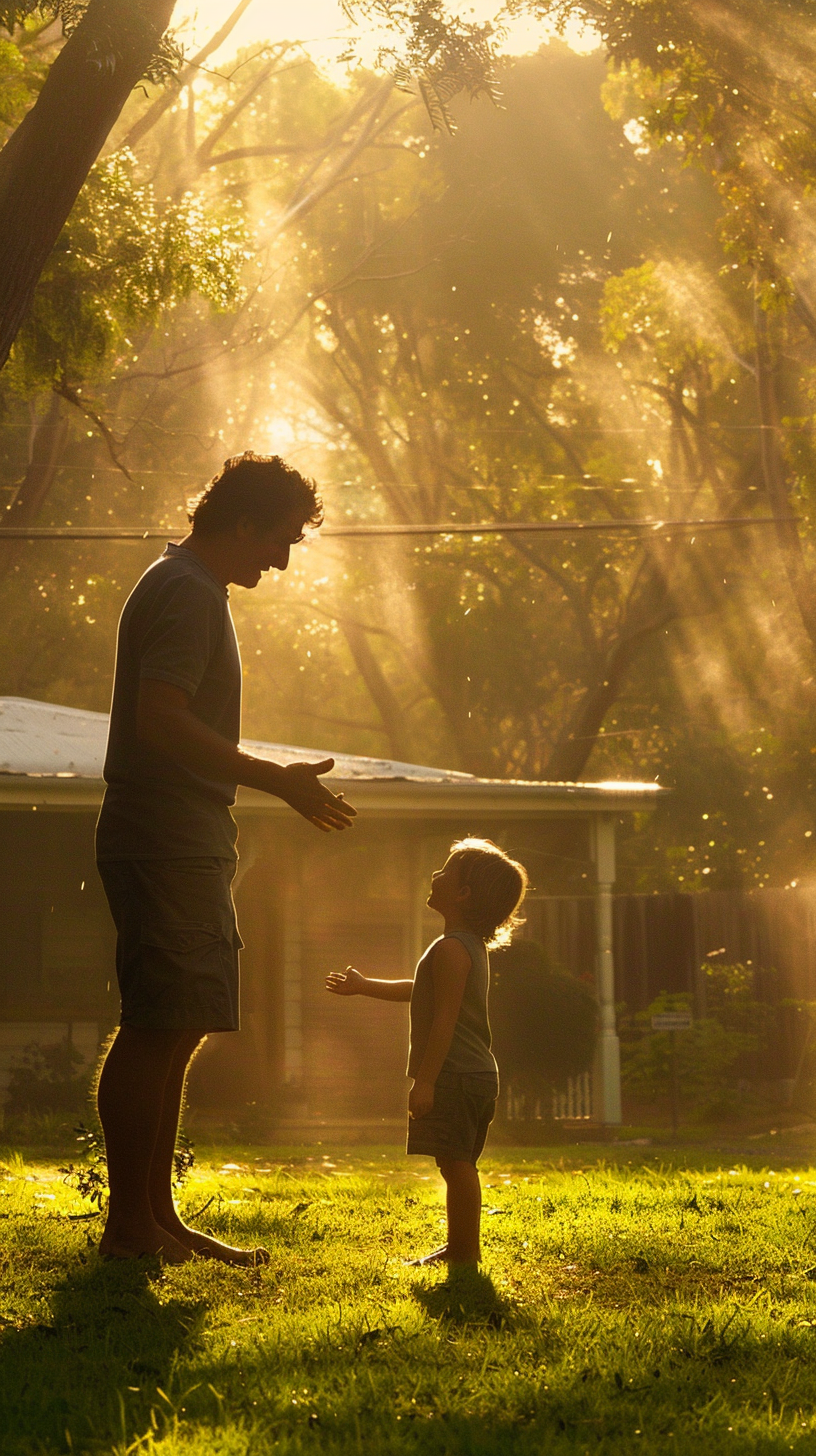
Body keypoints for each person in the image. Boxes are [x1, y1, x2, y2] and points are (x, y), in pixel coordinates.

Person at [95, 452, 356, 1264]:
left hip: (188, 835)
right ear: (241, 522)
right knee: (156, 1025)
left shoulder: (192, 589)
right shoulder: (183, 592)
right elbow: (160, 719)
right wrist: (273, 778)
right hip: (164, 834)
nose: (279, 562)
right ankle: (129, 1230)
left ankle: (157, 1222)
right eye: (278, 541)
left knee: (179, 1026)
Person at [326, 837, 527, 1267]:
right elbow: (425, 993)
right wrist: (365, 986)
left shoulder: (452, 948)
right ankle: (459, 1249)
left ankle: (464, 1253)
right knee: (455, 1164)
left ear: (463, 893)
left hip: (456, 1075)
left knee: (457, 1167)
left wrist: (426, 1082)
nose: (435, 875)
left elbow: (444, 1020)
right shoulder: (463, 946)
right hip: (473, 1074)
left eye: (445, 870)